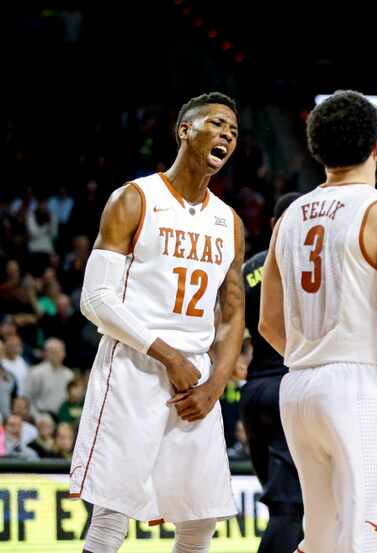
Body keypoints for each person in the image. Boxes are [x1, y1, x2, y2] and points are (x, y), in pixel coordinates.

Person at [259, 90, 377, 553]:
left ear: (315, 149)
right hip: (364, 387)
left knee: (324, 537)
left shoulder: (289, 218)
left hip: (299, 387)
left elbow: (268, 324)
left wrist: (317, 360)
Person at [70, 91, 246, 553]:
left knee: (201, 517)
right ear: (184, 130)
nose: (227, 134)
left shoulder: (229, 222)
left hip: (196, 380)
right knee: (111, 517)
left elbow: (232, 315)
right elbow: (96, 298)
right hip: (135, 363)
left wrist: (215, 384)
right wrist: (167, 356)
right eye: (216, 123)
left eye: (233, 130)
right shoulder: (134, 198)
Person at [239, 191, 303, 553]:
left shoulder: (249, 268)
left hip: (254, 391)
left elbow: (229, 331)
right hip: (290, 386)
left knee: (290, 507)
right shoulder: (310, 264)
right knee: (290, 510)